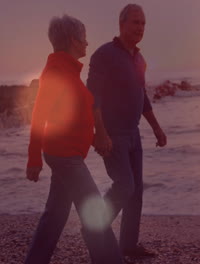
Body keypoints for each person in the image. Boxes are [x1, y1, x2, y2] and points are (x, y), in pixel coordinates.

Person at [24, 15, 124, 264]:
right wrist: (33, 158)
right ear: (72, 40)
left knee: (55, 215)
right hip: (65, 156)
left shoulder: (68, 70)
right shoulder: (56, 72)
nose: (87, 44)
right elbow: (39, 117)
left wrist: (94, 140)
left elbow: (69, 118)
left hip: (68, 153)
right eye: (84, 38)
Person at [87, 4, 167, 258]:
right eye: (135, 22)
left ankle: (129, 246)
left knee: (136, 191)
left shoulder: (139, 59)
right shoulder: (104, 55)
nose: (140, 28)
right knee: (124, 186)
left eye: (143, 23)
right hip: (113, 133)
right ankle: (93, 229)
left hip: (133, 134)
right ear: (121, 24)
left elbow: (141, 97)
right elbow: (93, 96)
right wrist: (99, 132)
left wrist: (156, 128)